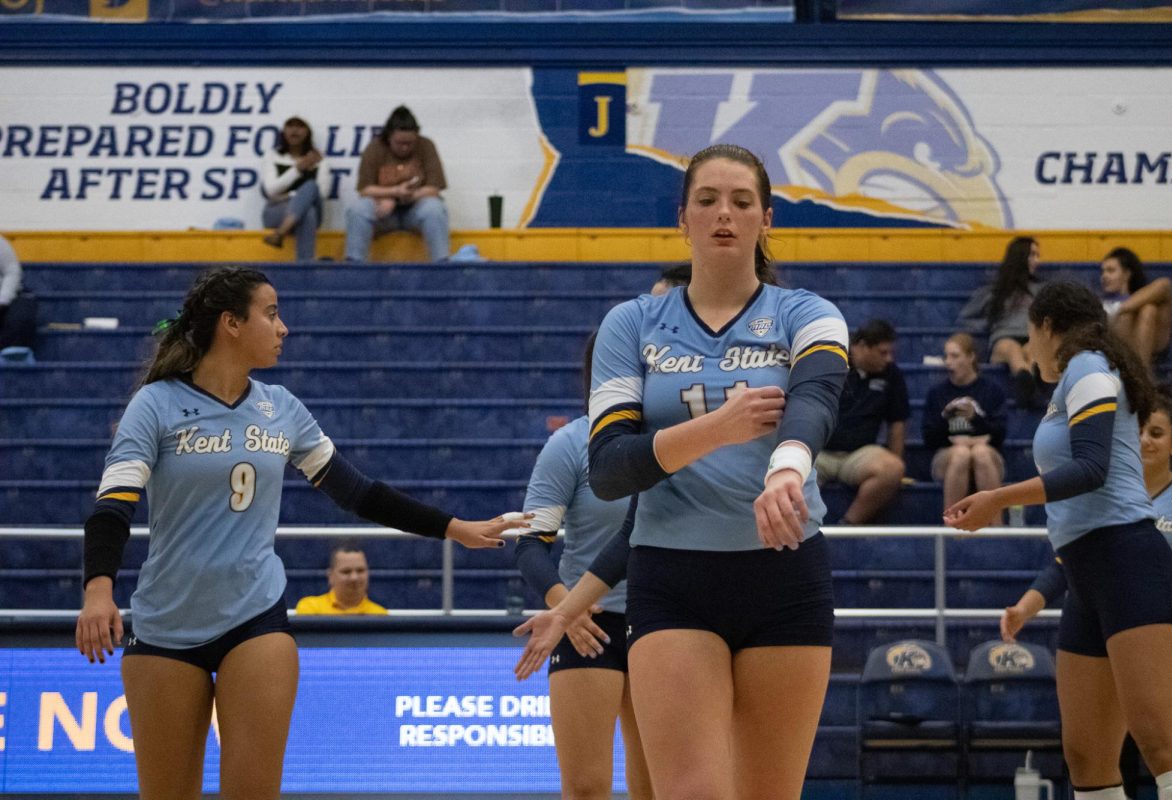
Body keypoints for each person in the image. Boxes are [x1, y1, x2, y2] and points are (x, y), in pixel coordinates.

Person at [74, 266, 527, 799]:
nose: (283, 327)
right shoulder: (156, 404)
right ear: (231, 324)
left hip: (254, 617)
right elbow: (113, 506)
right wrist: (98, 589)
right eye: (270, 314)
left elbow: (357, 491)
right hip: (164, 625)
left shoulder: (281, 408)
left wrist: (454, 528)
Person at [515, 143, 850, 800]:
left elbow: (815, 398)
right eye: (707, 200)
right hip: (672, 577)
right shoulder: (631, 324)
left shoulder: (807, 313)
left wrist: (786, 466)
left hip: (786, 574)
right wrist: (716, 430)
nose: (724, 213)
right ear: (683, 218)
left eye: (741, 201)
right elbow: (611, 472)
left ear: (767, 218)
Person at [945, 281, 1172, 800]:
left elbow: (1090, 468)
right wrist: (1033, 599)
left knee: (1162, 745)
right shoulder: (1071, 386)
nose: (1028, 348)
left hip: (1130, 565)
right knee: (1086, 756)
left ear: (1045, 327)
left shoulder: (1085, 364)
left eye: (1029, 335)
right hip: (1088, 577)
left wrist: (997, 498)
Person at [1004, 385, 1172, 754]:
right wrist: (1025, 607)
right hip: (1115, 631)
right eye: (1138, 431)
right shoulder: (1108, 496)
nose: (1145, 441)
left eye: (1156, 433)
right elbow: (1068, 562)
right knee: (1103, 751)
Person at [514, 332, 652, 800]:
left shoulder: (674, 439)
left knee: (657, 785)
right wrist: (566, 609)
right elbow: (531, 545)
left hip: (664, 620)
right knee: (587, 787)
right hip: (588, 625)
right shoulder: (570, 444)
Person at [815, 318, 908, 525]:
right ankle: (799, 535)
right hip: (819, 451)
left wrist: (897, 463)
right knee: (788, 469)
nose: (888, 359)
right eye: (883, 352)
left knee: (892, 468)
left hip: (859, 454)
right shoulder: (829, 364)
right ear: (863, 347)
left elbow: (897, 423)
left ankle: (848, 524)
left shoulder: (891, 375)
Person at [344, 105, 450, 263]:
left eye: (410, 143)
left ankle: (441, 265)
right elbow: (365, 190)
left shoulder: (426, 146)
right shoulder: (375, 148)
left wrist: (405, 196)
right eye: (400, 143)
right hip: (383, 213)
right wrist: (394, 192)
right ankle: (355, 265)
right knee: (358, 209)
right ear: (388, 137)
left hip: (415, 211)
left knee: (435, 208)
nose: (405, 148)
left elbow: (434, 188)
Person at [922, 332, 1007, 526]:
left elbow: (999, 435)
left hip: (987, 455)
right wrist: (949, 419)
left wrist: (975, 419)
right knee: (961, 454)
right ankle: (952, 525)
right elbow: (929, 438)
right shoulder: (937, 393)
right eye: (946, 356)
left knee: (981, 453)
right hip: (948, 456)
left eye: (955, 356)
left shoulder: (992, 390)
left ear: (971, 357)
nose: (948, 362)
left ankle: (997, 527)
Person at [957, 236, 1044, 408]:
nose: (1037, 261)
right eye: (1032, 255)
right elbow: (965, 318)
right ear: (1020, 257)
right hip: (1004, 339)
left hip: (1031, 338)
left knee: (1031, 350)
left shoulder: (1041, 290)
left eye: (1037, 255)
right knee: (1012, 349)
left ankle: (1031, 382)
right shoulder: (995, 290)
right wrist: (989, 324)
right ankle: (1026, 379)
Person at [260, 116, 331, 261]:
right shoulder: (273, 156)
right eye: (290, 126)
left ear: (308, 132)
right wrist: (298, 169)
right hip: (276, 212)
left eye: (300, 126)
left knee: (311, 188)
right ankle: (305, 266)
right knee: (308, 211)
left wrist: (288, 195)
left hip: (306, 210)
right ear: (284, 131)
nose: (294, 130)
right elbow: (270, 190)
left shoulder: (318, 160)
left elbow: (322, 193)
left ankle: (280, 234)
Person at [1100, 247, 1172, 367]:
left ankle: (1116, 310)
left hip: (1154, 347)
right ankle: (1142, 373)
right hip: (1119, 351)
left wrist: (1119, 309)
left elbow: (1165, 286)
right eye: (1103, 271)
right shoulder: (1100, 301)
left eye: (1110, 271)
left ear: (1126, 274)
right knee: (1137, 312)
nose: (1104, 276)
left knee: (1149, 308)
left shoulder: (1144, 297)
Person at [295, 540, 387, 615]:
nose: (354, 578)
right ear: (330, 576)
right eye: (346, 571)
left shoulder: (380, 614)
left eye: (360, 570)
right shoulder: (310, 608)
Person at [0, 234, 36, 352]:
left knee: (21, 317)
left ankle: (10, 359)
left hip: (8, 299)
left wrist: (3, 300)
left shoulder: (1, 244)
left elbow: (12, 272)